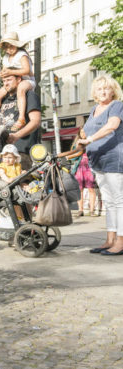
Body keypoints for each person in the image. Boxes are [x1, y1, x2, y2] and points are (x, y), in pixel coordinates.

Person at [76, 76, 123, 255]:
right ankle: (110, 239)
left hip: (114, 158)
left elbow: (112, 125)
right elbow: (86, 131)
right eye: (99, 89)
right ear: (94, 92)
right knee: (109, 201)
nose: (103, 92)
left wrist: (90, 139)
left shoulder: (116, 106)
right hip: (97, 160)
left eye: (106, 88)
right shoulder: (94, 109)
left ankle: (120, 241)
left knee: (119, 200)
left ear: (113, 90)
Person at [0, 32, 35, 132]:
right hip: (13, 81)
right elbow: (5, 70)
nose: (9, 49)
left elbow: (27, 71)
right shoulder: (6, 57)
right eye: (6, 47)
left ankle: (21, 118)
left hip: (26, 80)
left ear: (16, 45)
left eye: (11, 46)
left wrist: (11, 72)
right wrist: (3, 74)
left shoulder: (22, 55)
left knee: (21, 89)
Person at [0, 70, 41, 169]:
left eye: (9, 80)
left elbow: (35, 121)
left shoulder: (29, 95)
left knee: (21, 182)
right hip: (4, 153)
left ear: (19, 79)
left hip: (21, 152)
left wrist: (16, 136)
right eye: (4, 81)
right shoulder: (3, 99)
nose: (6, 83)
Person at [70, 128, 97, 217]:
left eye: (84, 131)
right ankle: (80, 210)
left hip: (89, 168)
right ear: (79, 133)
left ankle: (92, 211)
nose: (83, 133)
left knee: (91, 189)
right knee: (79, 190)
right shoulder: (76, 143)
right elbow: (73, 158)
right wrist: (77, 147)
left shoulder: (91, 142)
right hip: (79, 169)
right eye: (81, 132)